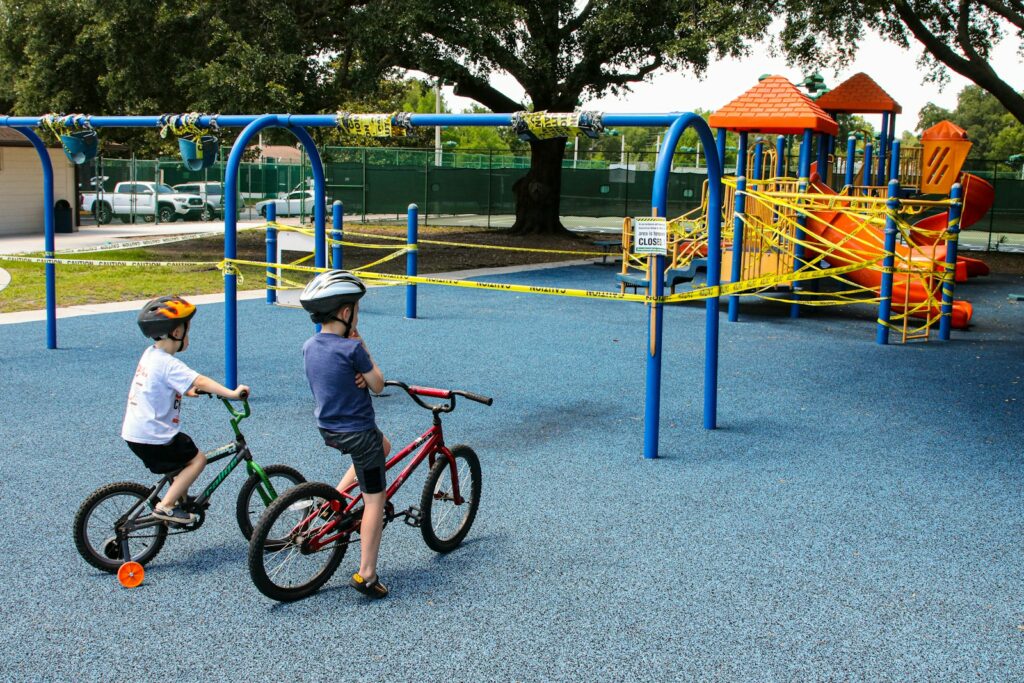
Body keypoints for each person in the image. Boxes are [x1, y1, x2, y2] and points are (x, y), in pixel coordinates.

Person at [300, 270, 392, 599]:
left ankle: (333, 500)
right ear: (345, 313)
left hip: (329, 427)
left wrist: (356, 376)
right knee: (374, 502)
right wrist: (362, 351)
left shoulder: (310, 346)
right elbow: (379, 384)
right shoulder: (352, 351)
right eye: (356, 308)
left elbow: (331, 376)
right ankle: (366, 574)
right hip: (358, 432)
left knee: (385, 446)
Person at [121, 295, 250, 525]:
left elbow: (163, 384)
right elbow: (199, 380)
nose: (188, 334)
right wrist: (232, 393)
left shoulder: (150, 354)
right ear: (177, 333)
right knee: (196, 459)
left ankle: (180, 498)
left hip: (135, 432)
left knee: (180, 457)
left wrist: (188, 390)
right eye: (186, 329)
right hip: (154, 436)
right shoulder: (169, 363)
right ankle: (167, 506)